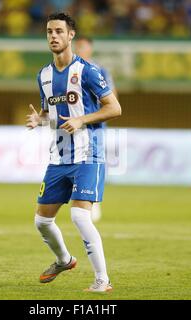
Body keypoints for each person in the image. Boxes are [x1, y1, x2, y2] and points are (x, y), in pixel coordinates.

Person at [26, 12, 122, 292]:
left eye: (59, 31)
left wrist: (82, 119)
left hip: (87, 155)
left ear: (71, 36)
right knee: (42, 222)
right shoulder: (43, 75)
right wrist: (39, 120)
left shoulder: (88, 71)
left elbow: (114, 108)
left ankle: (102, 281)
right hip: (58, 159)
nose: (53, 36)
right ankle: (64, 260)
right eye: (49, 32)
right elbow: (48, 112)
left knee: (80, 216)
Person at [74, 36, 118, 222]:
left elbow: (112, 97)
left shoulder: (99, 70)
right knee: (73, 161)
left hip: (94, 126)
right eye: (79, 46)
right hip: (72, 126)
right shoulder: (69, 69)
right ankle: (77, 199)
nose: (82, 49)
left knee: (94, 161)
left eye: (85, 46)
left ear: (90, 49)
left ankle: (94, 201)